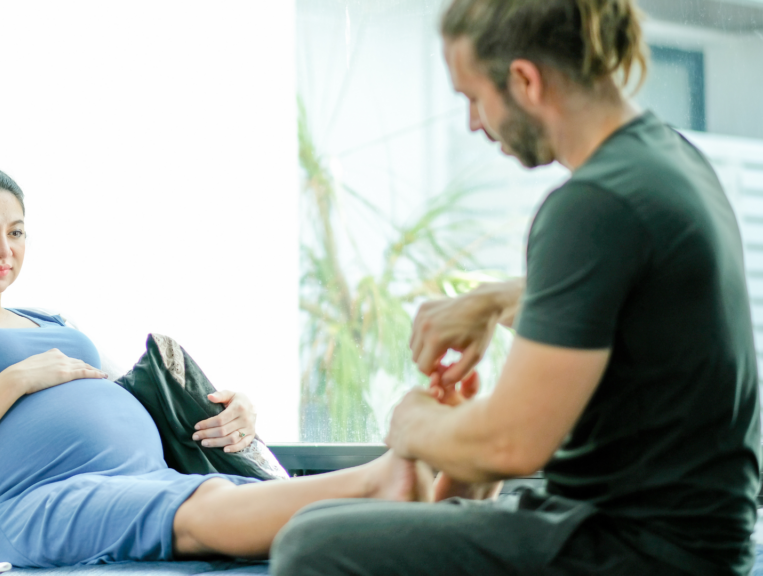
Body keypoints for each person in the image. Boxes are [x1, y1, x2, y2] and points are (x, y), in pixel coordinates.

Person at [270, 1, 761, 575]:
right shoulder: (666, 158)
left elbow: (512, 447)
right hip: (679, 538)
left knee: (309, 546)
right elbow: (623, 296)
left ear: (525, 80)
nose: (475, 123)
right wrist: (491, 301)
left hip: (634, 549)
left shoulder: (594, 205)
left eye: (474, 99)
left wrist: (413, 423)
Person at [0, 164, 426, 572]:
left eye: (17, 231)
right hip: (36, 502)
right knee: (202, 510)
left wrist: (238, 414)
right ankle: (388, 483)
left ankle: (420, 512)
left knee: (225, 501)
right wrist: (15, 380)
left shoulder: (52, 320)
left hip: (145, 477)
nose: (3, 247)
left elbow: (126, 398)